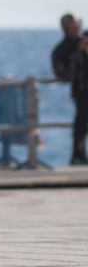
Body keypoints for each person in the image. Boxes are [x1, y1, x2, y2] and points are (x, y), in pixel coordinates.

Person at [51, 13, 88, 165]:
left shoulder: (83, 40)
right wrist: (78, 51)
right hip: (80, 89)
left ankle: (79, 154)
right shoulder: (62, 48)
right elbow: (63, 74)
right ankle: (77, 154)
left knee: (82, 122)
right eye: (74, 22)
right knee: (81, 122)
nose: (78, 24)